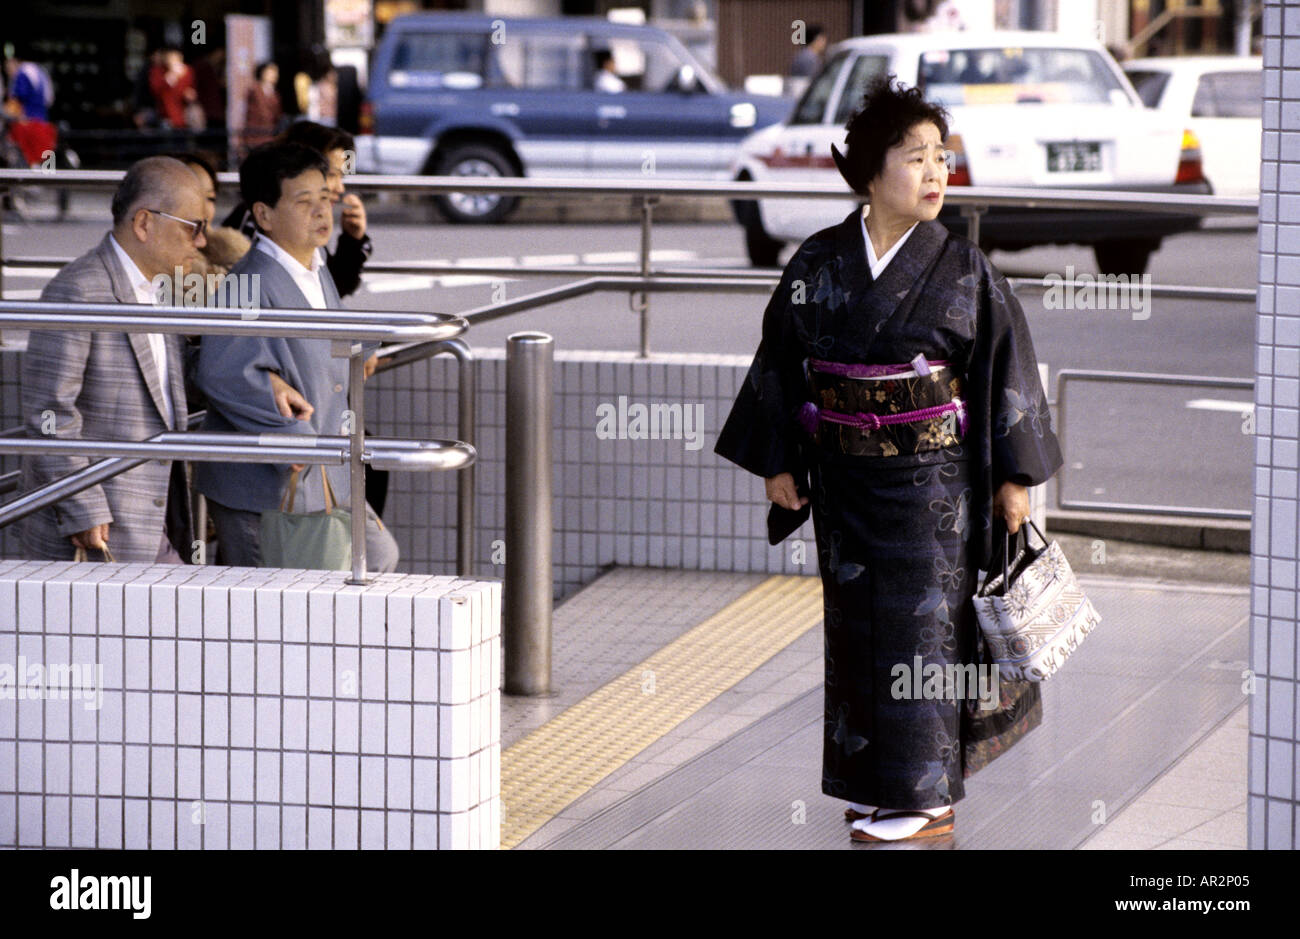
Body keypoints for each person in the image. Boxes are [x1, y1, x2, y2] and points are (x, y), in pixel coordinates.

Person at [714, 75, 1063, 843]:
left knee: (925, 635)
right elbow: (781, 358)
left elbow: (1009, 367)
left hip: (933, 490)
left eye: (942, 156)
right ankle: (874, 785)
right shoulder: (817, 263)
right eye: (915, 158)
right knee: (857, 631)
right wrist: (779, 460)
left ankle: (926, 795)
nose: (936, 172)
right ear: (869, 173)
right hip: (843, 485)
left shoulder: (963, 268)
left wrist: (1013, 476)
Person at [193, 142, 396, 571]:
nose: (322, 212)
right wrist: (287, 428)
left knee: (376, 560)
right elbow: (220, 371)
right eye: (304, 202)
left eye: (325, 198)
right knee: (273, 614)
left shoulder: (315, 266)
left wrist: (362, 349)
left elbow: (322, 340)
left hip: (318, 473)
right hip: (271, 484)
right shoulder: (246, 281)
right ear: (263, 215)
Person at [19, 156, 204, 563]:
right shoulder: (78, 290)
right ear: (144, 223)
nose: (202, 242)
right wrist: (82, 506)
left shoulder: (159, 288)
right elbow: (48, 413)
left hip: (153, 520)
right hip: (98, 533)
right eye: (193, 227)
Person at [222, 121, 372, 299]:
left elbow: (329, 290)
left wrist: (352, 240)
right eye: (331, 174)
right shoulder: (258, 227)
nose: (340, 188)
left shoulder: (307, 239)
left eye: (342, 176)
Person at [149, 47, 196, 130]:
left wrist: (189, 94)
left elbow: (191, 90)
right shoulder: (158, 71)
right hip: (165, 114)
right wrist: (172, 76)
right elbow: (157, 90)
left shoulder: (187, 71)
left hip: (184, 114)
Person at [241, 61, 282, 152]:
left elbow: (277, 114)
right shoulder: (255, 90)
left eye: (276, 72)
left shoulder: (275, 94)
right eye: (271, 71)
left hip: (268, 133)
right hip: (255, 133)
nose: (274, 75)